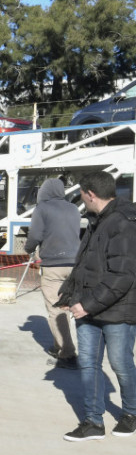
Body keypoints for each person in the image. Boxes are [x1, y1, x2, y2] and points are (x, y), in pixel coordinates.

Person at [57, 171, 136, 441]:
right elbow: (86, 265)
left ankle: (131, 413)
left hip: (117, 310)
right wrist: (71, 295)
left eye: (81, 193)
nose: (81, 198)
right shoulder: (97, 220)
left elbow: (123, 275)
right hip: (88, 307)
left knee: (121, 364)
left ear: (91, 194)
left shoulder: (123, 222)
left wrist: (87, 305)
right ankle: (93, 422)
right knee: (89, 364)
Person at [24, 178, 80, 369]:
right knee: (70, 307)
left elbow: (35, 235)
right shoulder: (73, 208)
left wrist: (28, 248)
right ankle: (60, 345)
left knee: (55, 309)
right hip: (75, 264)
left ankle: (67, 354)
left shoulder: (42, 208)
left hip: (53, 265)